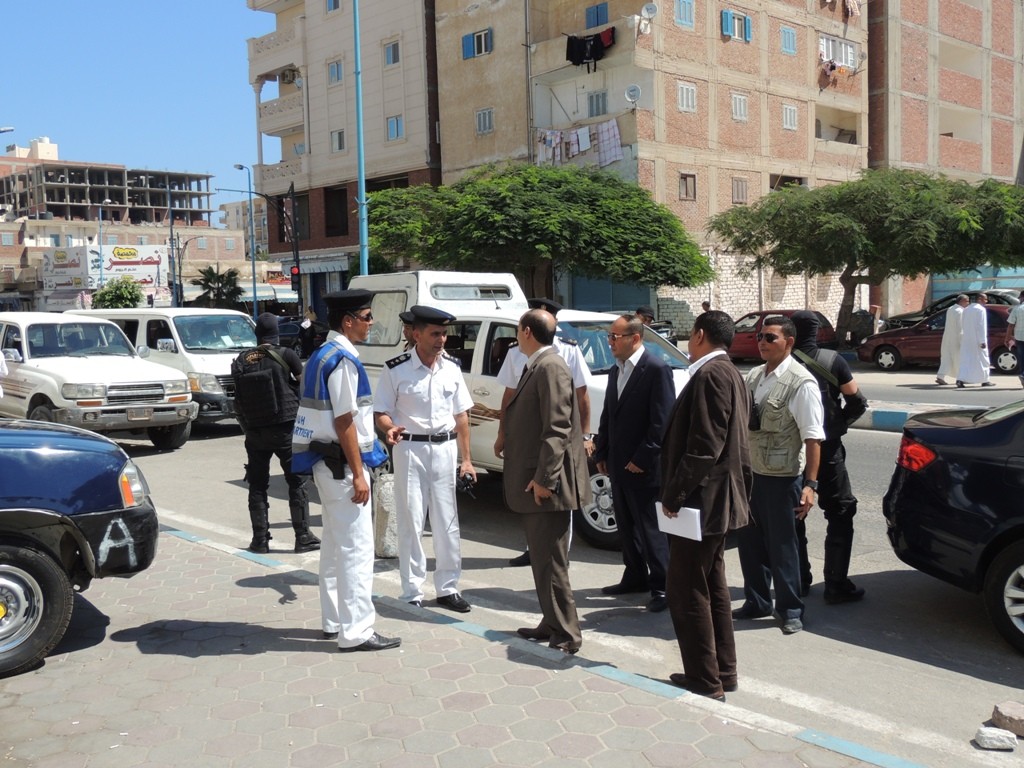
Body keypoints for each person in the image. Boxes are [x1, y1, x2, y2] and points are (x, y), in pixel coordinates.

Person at [291, 290, 399, 652]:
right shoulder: (342, 360)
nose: (371, 323)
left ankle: (335, 620)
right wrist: (358, 473)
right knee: (356, 549)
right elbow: (344, 421)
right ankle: (357, 631)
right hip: (341, 467)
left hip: (326, 463)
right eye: (367, 317)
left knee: (336, 546)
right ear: (348, 321)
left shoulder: (322, 355)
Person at [659, 310, 752, 701]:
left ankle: (705, 679)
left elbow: (705, 446)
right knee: (711, 584)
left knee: (687, 588)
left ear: (699, 335)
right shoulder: (730, 372)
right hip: (715, 500)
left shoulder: (712, 374)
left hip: (703, 501)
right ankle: (722, 672)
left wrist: (674, 494)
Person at [374, 305, 477, 613]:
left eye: (444, 334)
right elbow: (381, 411)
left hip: (445, 449)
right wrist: (389, 428)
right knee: (412, 520)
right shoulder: (396, 369)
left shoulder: (452, 368)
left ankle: (448, 587)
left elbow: (461, 416)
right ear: (416, 334)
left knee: (447, 521)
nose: (441, 340)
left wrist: (467, 460)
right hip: (410, 449)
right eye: (435, 334)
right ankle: (412, 591)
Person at [502, 308, 591, 654]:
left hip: (547, 484)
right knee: (542, 558)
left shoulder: (550, 366)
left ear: (526, 331)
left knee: (551, 561)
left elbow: (557, 428)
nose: (516, 335)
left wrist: (544, 479)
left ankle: (567, 633)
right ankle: (551, 621)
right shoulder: (538, 364)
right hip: (537, 478)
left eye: (517, 329)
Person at [735, 315, 824, 635]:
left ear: (789, 342)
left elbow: (813, 438)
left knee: (783, 546)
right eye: (760, 336)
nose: (762, 342)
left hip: (782, 478)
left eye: (770, 337)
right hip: (751, 474)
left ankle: (790, 609)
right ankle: (757, 601)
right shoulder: (754, 376)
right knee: (750, 543)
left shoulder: (802, 383)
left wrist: (810, 485)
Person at [494, 297, 592, 568]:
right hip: (532, 451)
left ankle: (558, 560)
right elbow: (510, 397)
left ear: (528, 331)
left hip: (551, 461)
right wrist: (503, 433)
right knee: (541, 541)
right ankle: (536, 553)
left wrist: (585, 436)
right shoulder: (522, 355)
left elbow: (564, 417)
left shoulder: (555, 361)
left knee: (552, 553)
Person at [593, 314, 678, 613]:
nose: (610, 342)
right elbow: (609, 414)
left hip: (644, 467)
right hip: (618, 462)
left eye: (615, 337)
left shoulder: (656, 369)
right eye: (609, 336)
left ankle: (663, 586)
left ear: (635, 338)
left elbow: (661, 422)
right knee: (626, 526)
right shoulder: (616, 370)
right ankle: (635, 575)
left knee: (650, 528)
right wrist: (601, 452)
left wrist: (642, 458)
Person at [791, 311, 868, 604]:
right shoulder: (832, 360)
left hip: (792, 451)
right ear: (817, 331)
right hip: (828, 448)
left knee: (794, 514)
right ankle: (836, 583)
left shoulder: (781, 362)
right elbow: (857, 401)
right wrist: (836, 425)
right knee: (840, 510)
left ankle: (799, 579)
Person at [231, 312, 320, 555]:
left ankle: (259, 540)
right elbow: (304, 386)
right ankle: (303, 536)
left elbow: (237, 398)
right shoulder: (286, 354)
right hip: (285, 429)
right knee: (297, 481)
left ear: (257, 334)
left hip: (254, 431)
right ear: (276, 333)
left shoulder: (241, 360)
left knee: (257, 484)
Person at [957, 293, 995, 387]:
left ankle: (961, 379)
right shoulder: (981, 310)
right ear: (980, 299)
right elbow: (981, 326)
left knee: (966, 360)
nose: (986, 301)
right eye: (985, 299)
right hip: (978, 340)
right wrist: (982, 341)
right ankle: (985, 380)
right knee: (983, 360)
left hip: (967, 339)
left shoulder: (966, 309)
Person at [936, 295, 968, 385]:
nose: (968, 303)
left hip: (948, 337)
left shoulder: (950, 309)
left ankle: (940, 376)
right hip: (956, 339)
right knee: (958, 358)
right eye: (967, 301)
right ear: (961, 301)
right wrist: (962, 340)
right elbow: (960, 327)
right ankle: (960, 378)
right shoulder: (960, 311)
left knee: (947, 358)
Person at [1004, 290, 1024, 389]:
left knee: (1022, 359)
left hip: (1020, 338)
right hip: (1019, 337)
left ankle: (1023, 374)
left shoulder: (1017, 309)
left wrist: (1007, 338)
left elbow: (1011, 325)